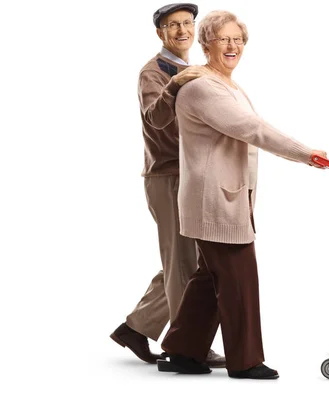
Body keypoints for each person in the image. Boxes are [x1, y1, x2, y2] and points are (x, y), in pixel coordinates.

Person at [156, 10, 328, 380]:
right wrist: (306, 153)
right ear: (206, 44)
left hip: (225, 195)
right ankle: (246, 361)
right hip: (213, 198)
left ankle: (183, 351)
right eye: (224, 39)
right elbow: (252, 129)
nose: (233, 46)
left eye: (239, 39)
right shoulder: (203, 87)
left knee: (210, 276)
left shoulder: (225, 84)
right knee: (239, 279)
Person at [110, 3, 225, 368]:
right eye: (172, 25)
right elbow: (155, 118)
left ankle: (136, 327)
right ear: (160, 33)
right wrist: (174, 85)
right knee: (183, 264)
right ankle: (187, 343)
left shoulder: (191, 69)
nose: (181, 31)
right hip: (168, 175)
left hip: (193, 174)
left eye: (187, 24)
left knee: (186, 261)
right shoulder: (155, 71)